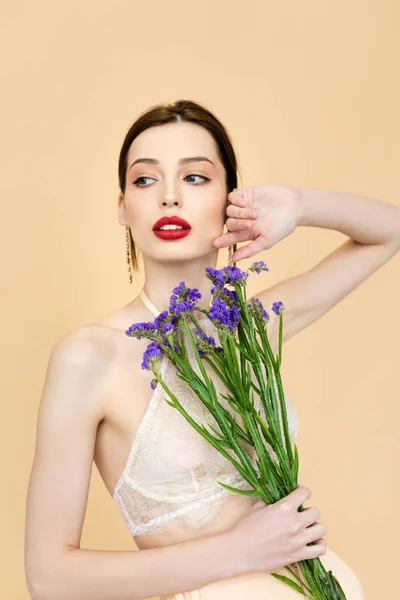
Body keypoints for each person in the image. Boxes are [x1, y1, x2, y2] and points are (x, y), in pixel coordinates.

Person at [28, 97, 400, 600]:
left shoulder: (250, 331)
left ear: (230, 196)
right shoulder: (90, 356)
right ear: (122, 208)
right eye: (145, 180)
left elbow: (389, 231)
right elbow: (49, 579)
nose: (169, 198)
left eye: (196, 177)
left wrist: (298, 203)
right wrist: (240, 551)